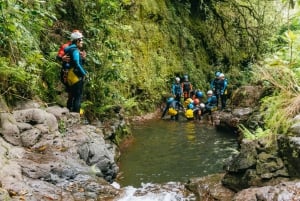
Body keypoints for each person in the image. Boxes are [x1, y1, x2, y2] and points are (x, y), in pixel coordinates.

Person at [64, 31, 87, 113]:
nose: (82, 42)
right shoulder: (75, 51)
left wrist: (83, 59)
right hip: (76, 76)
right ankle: (76, 116)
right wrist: (84, 73)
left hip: (70, 74)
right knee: (78, 97)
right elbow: (76, 63)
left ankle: (68, 113)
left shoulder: (69, 49)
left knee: (71, 95)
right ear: (77, 41)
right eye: (81, 40)